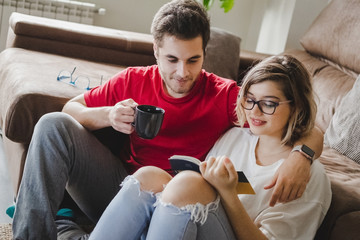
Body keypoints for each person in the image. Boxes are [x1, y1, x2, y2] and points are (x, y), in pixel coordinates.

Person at [12, 0, 323, 239]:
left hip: (180, 208)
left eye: (194, 60)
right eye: (172, 59)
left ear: (204, 52)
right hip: (121, 190)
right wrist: (107, 115)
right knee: (52, 124)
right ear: (156, 51)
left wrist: (302, 157)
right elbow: (72, 110)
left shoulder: (226, 96)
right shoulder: (134, 80)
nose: (183, 73)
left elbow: (297, 121)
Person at [89, 55, 332, 240]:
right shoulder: (236, 137)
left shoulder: (307, 176)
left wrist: (227, 192)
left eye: (268, 104)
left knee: (186, 184)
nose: (254, 112)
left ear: (296, 105)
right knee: (148, 175)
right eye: (249, 99)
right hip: (201, 224)